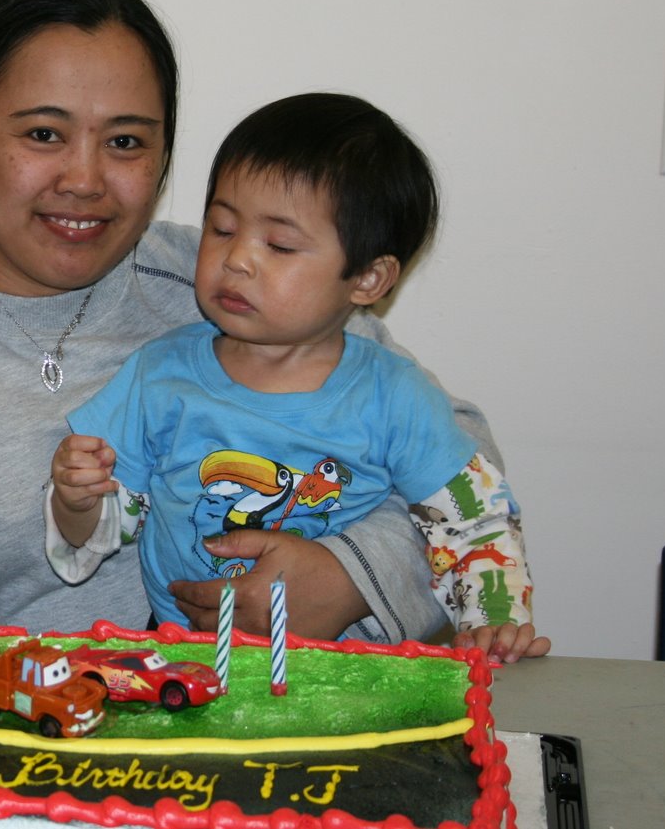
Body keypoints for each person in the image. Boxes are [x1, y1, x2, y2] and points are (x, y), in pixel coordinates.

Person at [0, 0, 499, 643]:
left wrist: (349, 578)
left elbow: (459, 457)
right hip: (40, 706)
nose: (84, 180)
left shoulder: (226, 280)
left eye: (125, 142)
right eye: (44, 134)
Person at [51, 94, 547, 663]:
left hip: (352, 674)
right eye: (222, 228)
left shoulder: (394, 395)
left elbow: (473, 518)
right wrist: (76, 502)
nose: (237, 259)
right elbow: (108, 526)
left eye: (280, 245)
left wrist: (494, 621)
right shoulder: (159, 376)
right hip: (187, 663)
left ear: (367, 279)